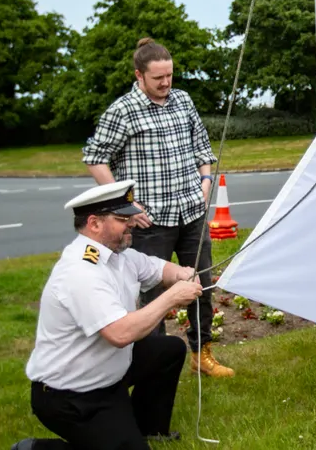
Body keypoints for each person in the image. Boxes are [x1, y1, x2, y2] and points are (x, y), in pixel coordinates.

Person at [81, 37, 233, 378]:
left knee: (201, 285)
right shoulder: (122, 111)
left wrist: (205, 181)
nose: (166, 84)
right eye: (157, 78)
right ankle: (154, 367)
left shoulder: (183, 100)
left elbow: (202, 147)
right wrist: (125, 204)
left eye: (170, 76)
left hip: (191, 213)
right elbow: (94, 158)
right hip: (151, 225)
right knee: (152, 300)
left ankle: (201, 353)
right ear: (139, 75)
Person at [13, 180, 204, 450]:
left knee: (169, 349)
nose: (132, 222)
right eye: (121, 218)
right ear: (94, 224)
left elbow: (157, 268)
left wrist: (182, 274)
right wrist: (171, 297)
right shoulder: (81, 272)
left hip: (108, 373)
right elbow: (120, 333)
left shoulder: (118, 255)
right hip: (72, 395)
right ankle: (32, 448)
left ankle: (148, 428)